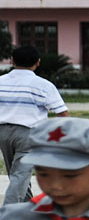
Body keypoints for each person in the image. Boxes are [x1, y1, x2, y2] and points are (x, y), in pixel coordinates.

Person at [0, 45, 69, 204]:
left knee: (17, 175)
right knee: (21, 175)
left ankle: (27, 209)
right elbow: (62, 113)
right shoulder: (43, 85)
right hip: (29, 134)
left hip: (3, 133)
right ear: (38, 62)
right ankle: (8, 214)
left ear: (12, 60)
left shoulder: (1, 81)